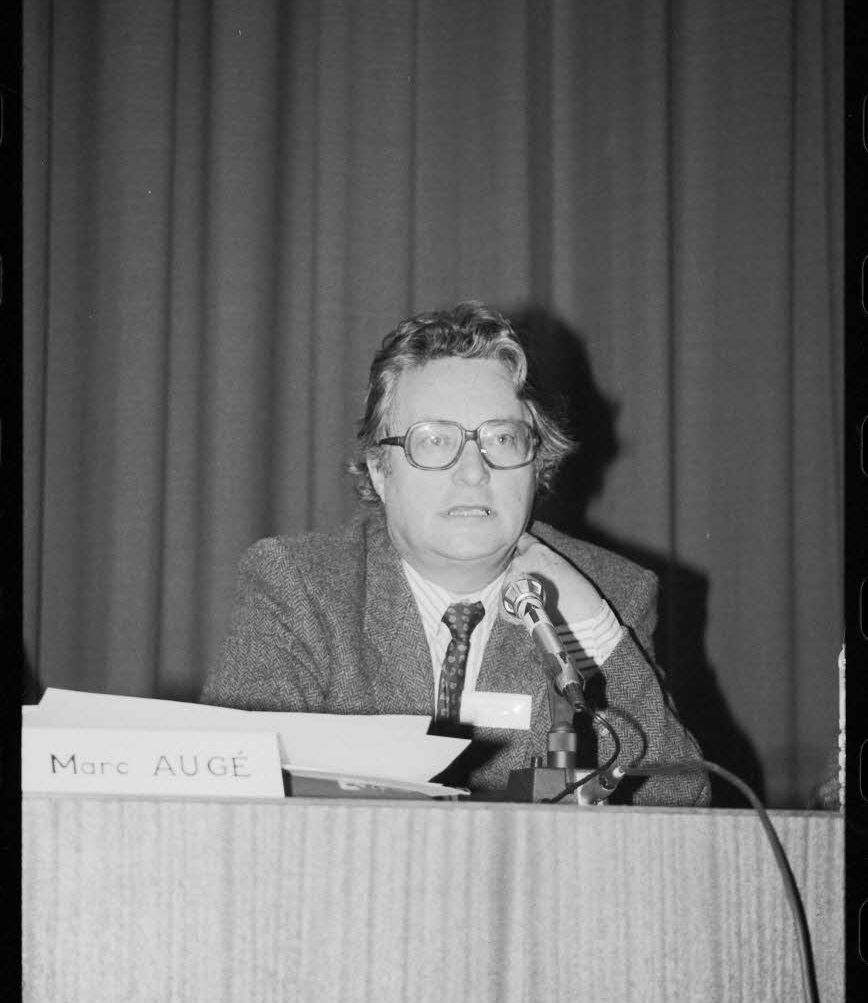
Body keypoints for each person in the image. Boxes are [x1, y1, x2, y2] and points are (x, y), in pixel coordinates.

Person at [202, 301, 710, 806]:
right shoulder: (301, 586)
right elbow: (233, 793)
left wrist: (595, 630)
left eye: (502, 439)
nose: (473, 471)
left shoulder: (610, 593)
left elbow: (681, 804)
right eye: (435, 440)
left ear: (537, 466)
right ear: (380, 471)